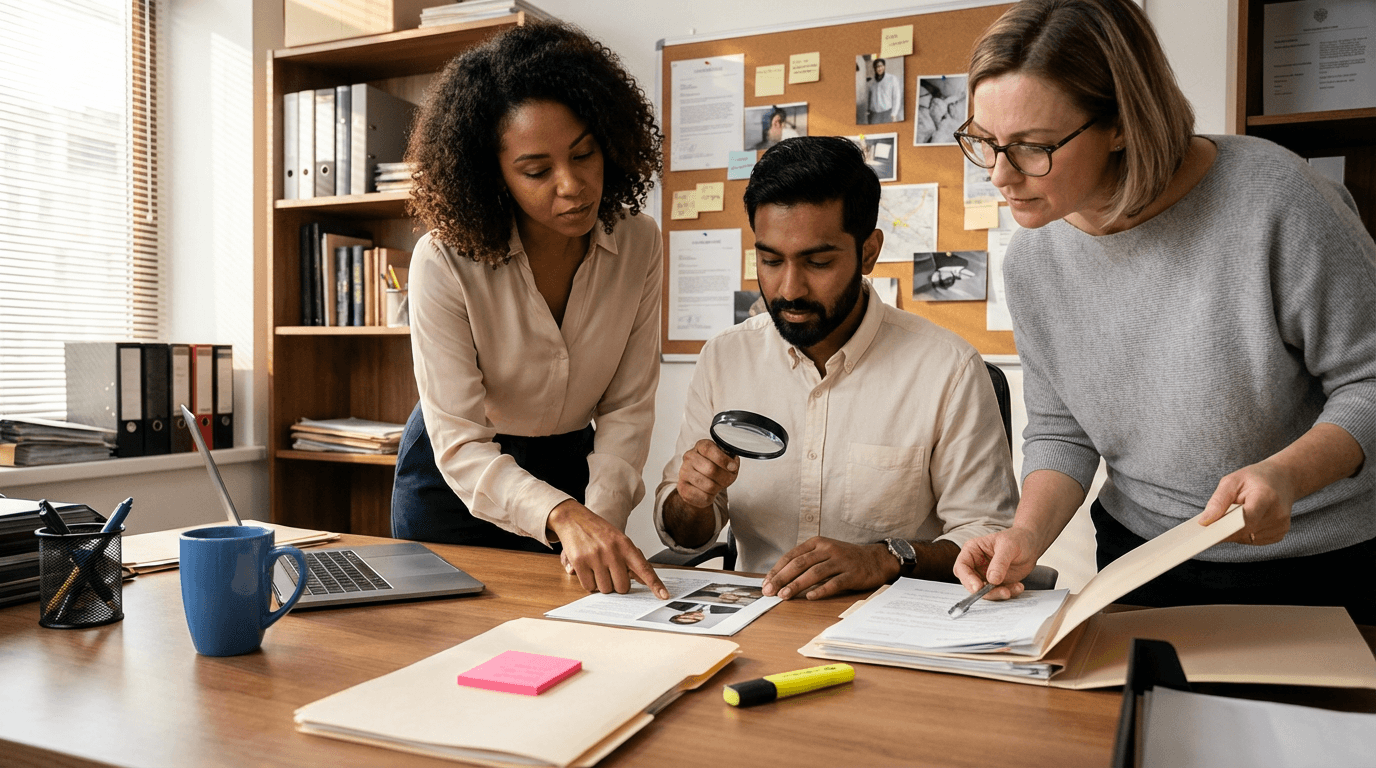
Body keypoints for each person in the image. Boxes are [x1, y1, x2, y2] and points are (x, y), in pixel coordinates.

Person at [950, 0, 1376, 624]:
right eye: (985, 142)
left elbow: (1368, 381)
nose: (1000, 176)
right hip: (1142, 561)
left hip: (1323, 562)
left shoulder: (1277, 202)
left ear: (1121, 123)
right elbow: (1062, 431)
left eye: (1032, 147)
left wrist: (1287, 474)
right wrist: (1025, 538)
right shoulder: (1034, 258)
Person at [655, 136, 1018, 601]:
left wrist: (884, 559)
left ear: (868, 252)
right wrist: (691, 501)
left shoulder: (947, 368)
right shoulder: (726, 358)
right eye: (769, 260)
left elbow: (987, 537)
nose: (789, 289)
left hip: (887, 620)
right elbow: (687, 535)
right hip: (757, 615)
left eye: (818, 262)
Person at [395, 21, 669, 599]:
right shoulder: (442, 261)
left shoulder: (639, 243)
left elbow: (627, 408)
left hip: (573, 470)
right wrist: (566, 517)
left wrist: (601, 515)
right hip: (456, 483)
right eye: (537, 171)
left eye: (585, 154)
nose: (571, 186)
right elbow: (461, 442)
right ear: (492, 177)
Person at [866, 58, 902, 124]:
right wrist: (868, 111)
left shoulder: (892, 79)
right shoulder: (871, 82)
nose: (879, 68)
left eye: (881, 66)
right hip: (874, 114)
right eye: (877, 66)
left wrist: (894, 113)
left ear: (884, 66)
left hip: (887, 112)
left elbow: (896, 97)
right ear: (874, 68)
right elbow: (869, 98)